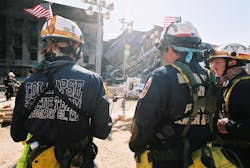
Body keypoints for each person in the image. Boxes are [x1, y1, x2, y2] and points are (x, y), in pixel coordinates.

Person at [11, 15, 112, 168]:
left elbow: (17, 134)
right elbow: (102, 131)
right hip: (77, 161)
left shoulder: (28, 83)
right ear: (75, 47)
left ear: (49, 46)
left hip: (40, 160)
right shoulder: (92, 80)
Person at [129, 20, 216, 168]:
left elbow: (144, 122)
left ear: (170, 48)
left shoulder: (162, 76)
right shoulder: (210, 77)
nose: (163, 56)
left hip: (167, 160)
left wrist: (136, 146)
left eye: (163, 51)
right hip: (201, 159)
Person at [209, 43, 250, 167]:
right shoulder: (230, 84)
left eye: (217, 62)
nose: (213, 66)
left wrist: (229, 126)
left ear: (231, 63)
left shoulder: (244, 86)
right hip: (231, 155)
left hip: (243, 157)